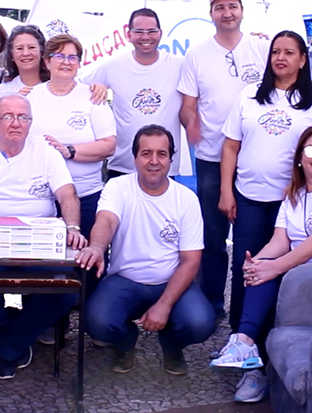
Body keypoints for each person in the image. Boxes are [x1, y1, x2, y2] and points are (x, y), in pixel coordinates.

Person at [211, 125, 312, 403]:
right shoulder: (293, 195)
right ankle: (247, 350)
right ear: (299, 158)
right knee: (260, 272)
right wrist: (257, 262)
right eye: (310, 150)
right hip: (304, 282)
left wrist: (274, 267)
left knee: (270, 273)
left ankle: (248, 349)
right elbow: (279, 241)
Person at [0, 93, 86, 380]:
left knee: (65, 290)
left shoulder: (46, 151)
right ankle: (17, 333)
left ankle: (6, 344)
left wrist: (72, 228)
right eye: (8, 117)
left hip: (40, 240)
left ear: (30, 122)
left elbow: (67, 195)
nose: (15, 123)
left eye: (22, 117)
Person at [77, 125, 215, 376]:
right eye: (146, 153)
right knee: (96, 322)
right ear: (135, 158)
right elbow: (106, 220)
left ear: (171, 159)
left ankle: (172, 344)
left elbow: (191, 261)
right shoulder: (118, 187)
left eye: (162, 154)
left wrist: (164, 304)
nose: (154, 161)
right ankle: (125, 340)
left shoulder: (186, 198)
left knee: (201, 323)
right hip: (124, 281)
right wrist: (96, 246)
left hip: (170, 282)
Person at [219, 30, 312, 333]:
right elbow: (231, 145)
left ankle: (273, 338)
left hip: (292, 204)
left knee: (284, 269)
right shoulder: (249, 95)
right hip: (248, 197)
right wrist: (226, 191)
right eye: (275, 52)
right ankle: (239, 337)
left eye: (289, 52)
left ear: (303, 59)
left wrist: (299, 183)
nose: (280, 58)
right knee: (246, 265)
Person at [178, 0, 269, 317]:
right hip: (212, 160)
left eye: (232, 6)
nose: (226, 13)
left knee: (253, 238)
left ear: (242, 11)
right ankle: (211, 305)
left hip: (257, 158)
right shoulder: (197, 54)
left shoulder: (262, 47)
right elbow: (187, 106)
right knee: (213, 238)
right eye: (220, 8)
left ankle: (250, 310)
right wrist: (191, 124)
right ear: (211, 14)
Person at [26, 33, 116, 281]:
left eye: (72, 57)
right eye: (59, 56)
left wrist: (70, 151)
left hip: (86, 195)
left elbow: (109, 145)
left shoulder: (93, 96)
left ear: (79, 63)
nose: (66, 62)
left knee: (87, 265)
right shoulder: (31, 97)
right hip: (42, 199)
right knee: (46, 270)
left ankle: (89, 316)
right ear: (46, 61)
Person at [82, 8, 185, 178]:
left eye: (151, 31)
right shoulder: (112, 66)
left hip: (163, 165)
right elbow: (75, 87)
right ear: (128, 35)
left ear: (160, 34)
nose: (146, 37)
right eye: (139, 32)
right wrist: (94, 87)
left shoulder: (179, 65)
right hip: (123, 165)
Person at [0, 25, 49, 98]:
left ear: (41, 51)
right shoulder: (4, 90)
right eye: (19, 48)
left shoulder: (55, 85)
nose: (25, 53)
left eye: (31, 47)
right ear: (11, 54)